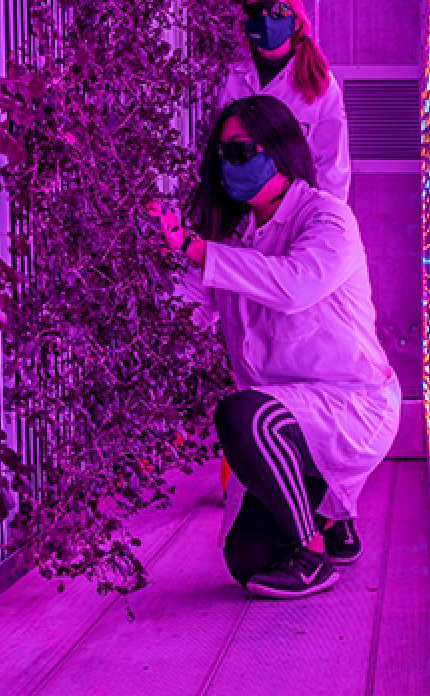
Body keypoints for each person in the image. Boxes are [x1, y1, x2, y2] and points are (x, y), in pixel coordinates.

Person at [148, 95, 399, 599]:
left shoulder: (327, 219)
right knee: (248, 561)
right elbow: (189, 308)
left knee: (242, 414)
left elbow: (294, 286)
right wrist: (155, 261)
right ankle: (333, 517)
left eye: (240, 151)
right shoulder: (236, 235)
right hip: (284, 418)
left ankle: (312, 553)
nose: (228, 165)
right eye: (221, 154)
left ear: (279, 149)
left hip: (350, 402)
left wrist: (196, 249)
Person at [216, 0, 352, 202]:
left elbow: (332, 165)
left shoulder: (320, 84)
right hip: (233, 202)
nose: (265, 19)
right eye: (256, 11)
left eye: (278, 10)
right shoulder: (232, 75)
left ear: (297, 21)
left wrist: (325, 220)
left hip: (290, 207)